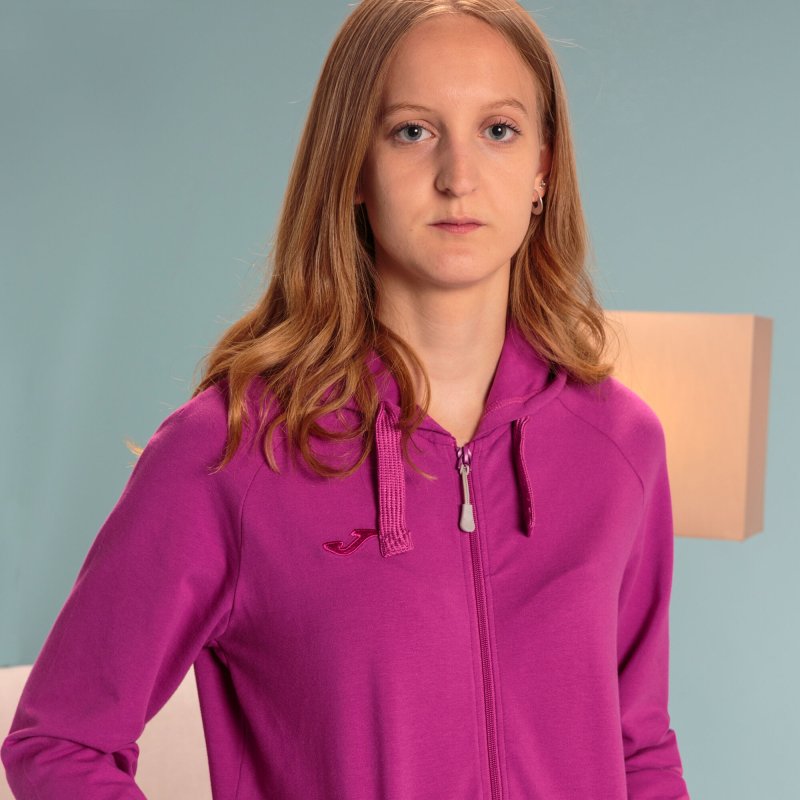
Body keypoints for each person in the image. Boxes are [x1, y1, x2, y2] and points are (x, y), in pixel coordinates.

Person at [1, 1, 691, 798]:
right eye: (412, 131)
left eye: (498, 130)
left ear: (544, 167)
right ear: (353, 165)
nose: (458, 177)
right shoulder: (234, 451)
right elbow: (60, 742)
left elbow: (639, 749)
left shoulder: (619, 445)